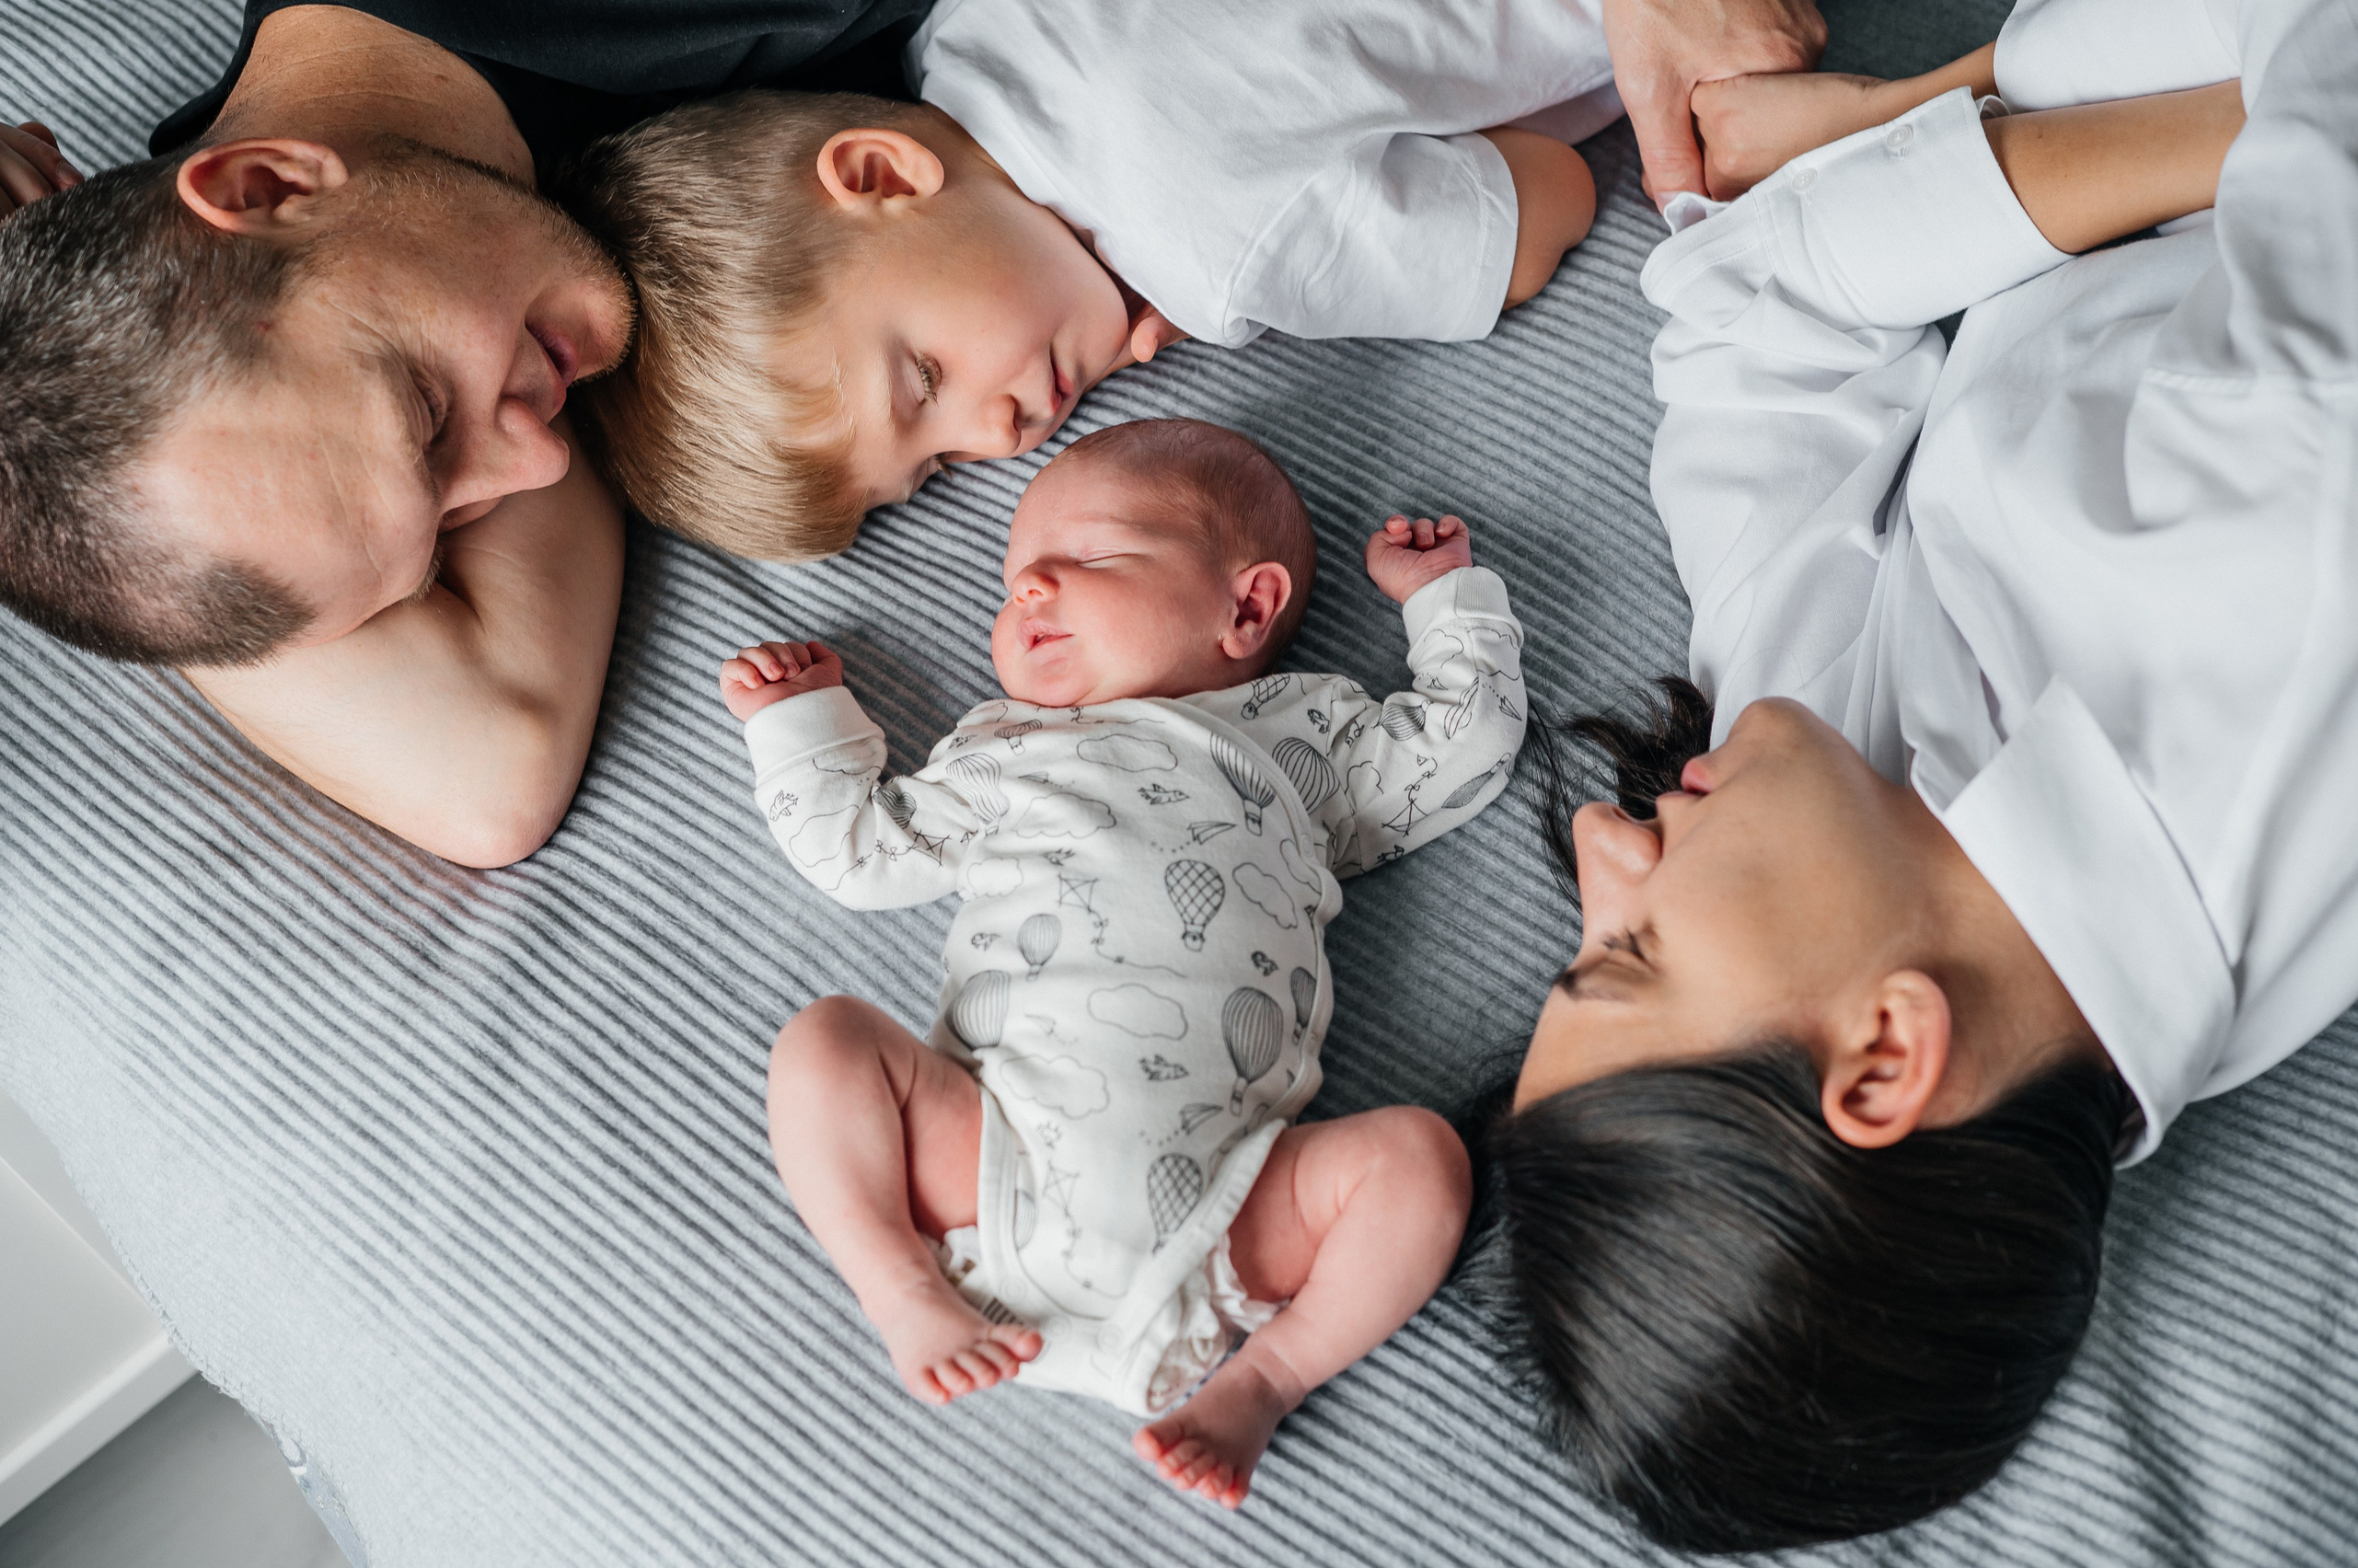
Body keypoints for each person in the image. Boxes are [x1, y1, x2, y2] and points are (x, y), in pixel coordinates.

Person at [0, 0, 1821, 868]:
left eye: (427, 416)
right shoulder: (473, 267)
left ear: (266, 185)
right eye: (450, 527)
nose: (534, 471)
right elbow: (487, 773)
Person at [1488, 0, 2357, 1550]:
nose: (1600, 843)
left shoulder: (1841, 822)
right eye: (1626, 952)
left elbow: (1739, 314)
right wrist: (2017, 101)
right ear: (1887, 1054)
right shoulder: (2273, 567)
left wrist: (1969, 130)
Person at [729, 420, 1525, 1506]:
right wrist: (798, 722)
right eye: (1014, 579)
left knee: (1424, 1163)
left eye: (1092, 556)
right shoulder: (1002, 748)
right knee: (824, 1042)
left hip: (1228, 1208)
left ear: (1246, 608)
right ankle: (898, 1287)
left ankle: (1265, 1380)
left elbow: (1462, 746)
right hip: (991, 1164)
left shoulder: (1299, 741)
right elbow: (859, 853)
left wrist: (1443, 599)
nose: (1030, 586)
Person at [560, 0, 1621, 560]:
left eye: (926, 382)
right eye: (940, 467)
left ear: (884, 173)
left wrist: (1227, 297)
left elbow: (1547, 203)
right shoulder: (960, 27)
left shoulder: (1212, 250)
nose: (1001, 436)